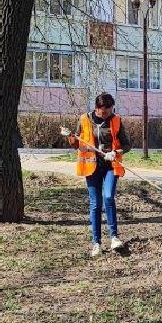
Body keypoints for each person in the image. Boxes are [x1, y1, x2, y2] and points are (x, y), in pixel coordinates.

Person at [64, 93, 132, 258]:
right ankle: (97, 243)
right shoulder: (84, 119)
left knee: (108, 197)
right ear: (96, 108)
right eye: (103, 112)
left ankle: (114, 237)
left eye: (109, 111)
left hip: (110, 166)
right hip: (91, 166)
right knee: (95, 204)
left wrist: (116, 152)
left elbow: (127, 145)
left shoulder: (116, 120)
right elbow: (76, 144)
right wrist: (69, 136)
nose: (106, 115)